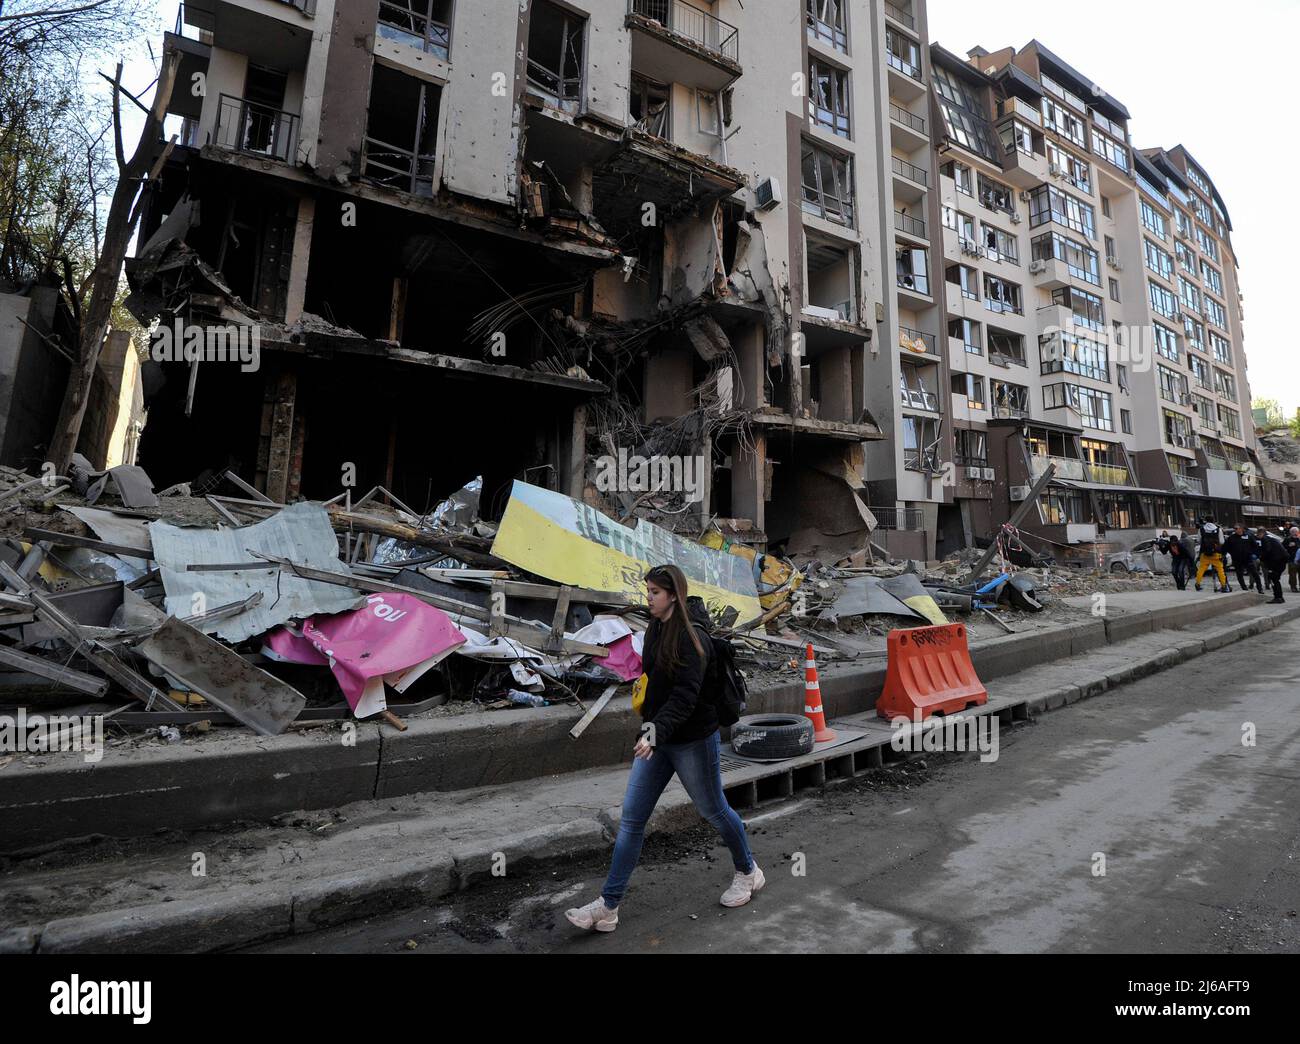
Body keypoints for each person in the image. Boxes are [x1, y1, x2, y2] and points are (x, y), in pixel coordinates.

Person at [565, 564, 761, 933]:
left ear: (674, 595)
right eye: (648, 591)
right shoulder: (655, 628)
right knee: (632, 821)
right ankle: (608, 906)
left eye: (654, 592)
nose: (648, 598)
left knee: (714, 811)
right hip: (659, 739)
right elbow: (653, 686)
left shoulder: (693, 639)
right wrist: (648, 730)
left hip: (693, 741)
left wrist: (655, 731)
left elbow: (686, 697)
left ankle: (748, 871)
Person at [1223, 521, 1263, 594]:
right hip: (1237, 559)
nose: (1235, 530)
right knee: (1239, 574)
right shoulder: (1231, 538)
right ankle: (1244, 588)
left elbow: (1255, 546)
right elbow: (1226, 547)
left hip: (1247, 558)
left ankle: (1260, 588)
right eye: (1234, 529)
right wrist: (1231, 553)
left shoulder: (1248, 536)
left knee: (1255, 573)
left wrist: (1253, 554)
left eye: (1236, 528)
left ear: (1241, 529)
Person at [1194, 517, 1230, 592]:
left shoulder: (1201, 529)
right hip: (1216, 553)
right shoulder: (1218, 529)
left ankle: (1197, 584)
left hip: (1205, 553)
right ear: (1214, 521)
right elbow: (1222, 542)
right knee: (1220, 570)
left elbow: (1198, 540)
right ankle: (1223, 585)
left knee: (1201, 569)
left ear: (1205, 521)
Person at [1255, 526, 1289, 604]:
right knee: (1275, 579)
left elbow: (1267, 550)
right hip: (1281, 560)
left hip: (1275, 562)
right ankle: (1279, 597)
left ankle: (1278, 597)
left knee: (1273, 579)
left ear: (1261, 533)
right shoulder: (1271, 537)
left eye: (1258, 535)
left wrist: (1261, 558)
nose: (1258, 537)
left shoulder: (1264, 538)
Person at [1284, 526, 1300, 594]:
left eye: (1296, 532)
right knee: (1292, 574)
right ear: (1291, 532)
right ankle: (1293, 587)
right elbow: (1282, 547)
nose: (1295, 533)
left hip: (1299, 559)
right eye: (1293, 532)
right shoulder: (1287, 539)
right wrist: (1288, 546)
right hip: (1292, 560)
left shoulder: (1299, 539)